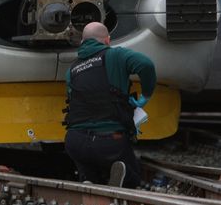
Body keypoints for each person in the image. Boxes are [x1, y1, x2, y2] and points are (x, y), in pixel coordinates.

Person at [63, 22, 156, 188]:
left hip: (75, 141)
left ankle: (89, 178)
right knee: (133, 179)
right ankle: (123, 177)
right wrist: (146, 95)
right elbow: (145, 64)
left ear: (82, 41)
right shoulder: (116, 55)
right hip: (110, 140)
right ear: (107, 40)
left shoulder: (72, 70)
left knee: (91, 173)